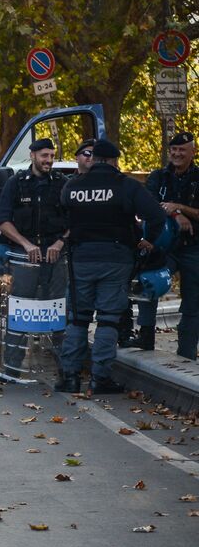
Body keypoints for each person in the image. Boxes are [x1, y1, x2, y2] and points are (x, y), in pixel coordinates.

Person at [55, 138, 169, 395]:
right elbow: (157, 215)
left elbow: (61, 216)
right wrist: (147, 241)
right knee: (108, 320)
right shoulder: (126, 186)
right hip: (116, 259)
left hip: (81, 258)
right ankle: (100, 378)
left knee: (78, 319)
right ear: (113, 160)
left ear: (94, 159)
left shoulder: (72, 186)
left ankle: (70, 376)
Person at [134, 132, 199, 355]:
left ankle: (187, 354)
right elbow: (148, 207)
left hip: (193, 247)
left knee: (193, 304)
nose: (177, 154)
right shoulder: (158, 177)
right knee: (149, 282)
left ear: (193, 151)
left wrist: (179, 207)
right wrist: (175, 214)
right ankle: (145, 337)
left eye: (182, 150)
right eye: (174, 150)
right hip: (164, 246)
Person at [0, 138, 68, 264]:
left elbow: (76, 219)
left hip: (57, 256)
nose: (49, 160)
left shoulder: (63, 183)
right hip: (22, 254)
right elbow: (3, 221)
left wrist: (60, 242)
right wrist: (26, 244)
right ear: (32, 156)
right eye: (44, 155)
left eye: (52, 156)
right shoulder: (15, 183)